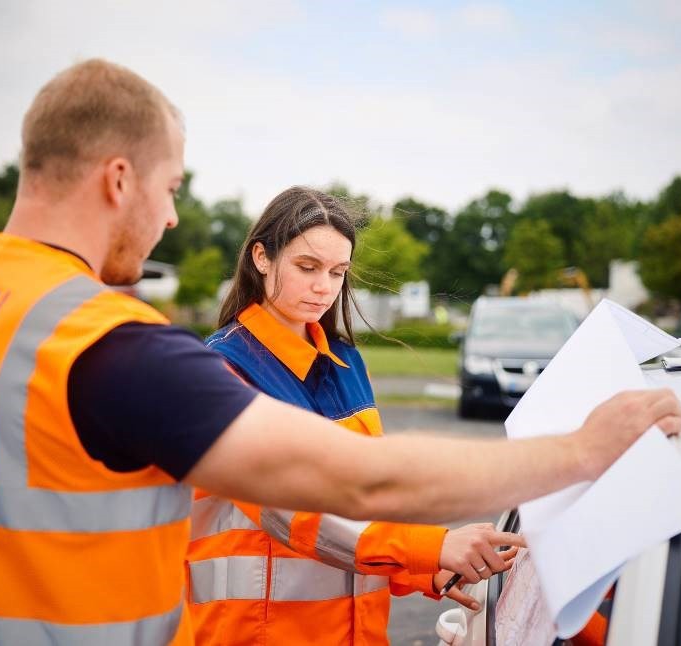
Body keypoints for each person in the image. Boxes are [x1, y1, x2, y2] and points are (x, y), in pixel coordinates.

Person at [0, 58, 681, 646]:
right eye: (172, 188)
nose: (171, 217)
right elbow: (358, 481)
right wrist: (582, 450)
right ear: (118, 179)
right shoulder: (111, 348)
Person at [189, 186, 524, 645]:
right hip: (257, 634)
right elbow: (295, 509)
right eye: (307, 267)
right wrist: (435, 546)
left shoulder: (346, 364)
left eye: (337, 272)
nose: (324, 287)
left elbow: (369, 500)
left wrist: (428, 568)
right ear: (261, 258)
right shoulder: (222, 371)